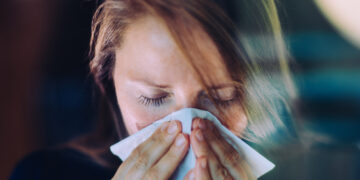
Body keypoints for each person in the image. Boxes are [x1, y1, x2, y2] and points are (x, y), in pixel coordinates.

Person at [11, 0, 297, 179]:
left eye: (222, 99)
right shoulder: (42, 175)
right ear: (108, 84)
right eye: (154, 98)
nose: (188, 130)